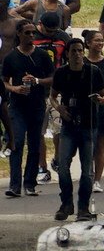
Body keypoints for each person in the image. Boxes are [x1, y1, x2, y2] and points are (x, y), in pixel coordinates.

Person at [51, 36, 104, 221]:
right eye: (73, 51)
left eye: (80, 51)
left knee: (87, 170)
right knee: (63, 166)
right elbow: (52, 96)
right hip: (68, 125)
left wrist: (100, 101)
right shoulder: (61, 73)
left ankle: (83, 207)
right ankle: (66, 202)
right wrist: (59, 108)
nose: (77, 54)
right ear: (67, 54)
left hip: (88, 125)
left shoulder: (93, 72)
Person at [3, 19, 54, 198]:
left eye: (33, 33)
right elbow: (4, 81)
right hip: (17, 107)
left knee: (34, 145)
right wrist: (14, 89)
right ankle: (14, 185)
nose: (31, 36)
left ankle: (30, 183)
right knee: (16, 144)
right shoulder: (11, 57)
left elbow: (53, 77)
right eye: (27, 33)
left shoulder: (41, 55)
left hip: (37, 106)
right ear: (19, 34)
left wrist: (37, 81)